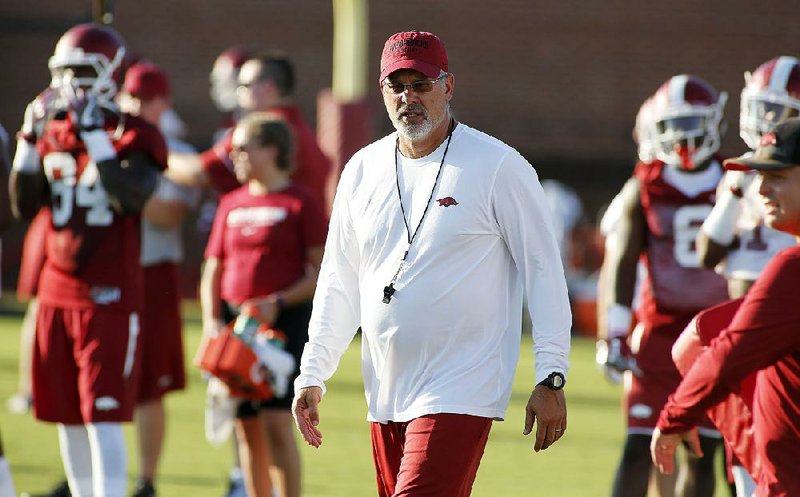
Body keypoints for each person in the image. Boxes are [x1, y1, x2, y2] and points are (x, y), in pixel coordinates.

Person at [291, 30, 571, 497]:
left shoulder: (498, 166)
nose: (408, 98)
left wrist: (552, 375)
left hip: (462, 386)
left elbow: (544, 272)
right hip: (385, 388)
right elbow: (340, 280)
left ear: (448, 86)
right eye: (395, 86)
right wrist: (313, 372)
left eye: (420, 85)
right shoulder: (362, 169)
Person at [9, 23, 167, 497]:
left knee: (102, 414)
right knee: (66, 415)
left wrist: (97, 137)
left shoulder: (133, 132)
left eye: (84, 72)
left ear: (112, 75)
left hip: (108, 293)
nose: (73, 84)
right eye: (66, 72)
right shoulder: (52, 131)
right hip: (56, 290)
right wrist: (26, 140)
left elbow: (131, 198)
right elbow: (23, 206)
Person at [596, 74, 730, 497]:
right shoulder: (645, 186)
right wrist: (614, 332)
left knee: (703, 451)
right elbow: (620, 263)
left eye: (691, 125)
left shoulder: (737, 181)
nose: (683, 138)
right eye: (672, 127)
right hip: (657, 335)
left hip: (717, 335)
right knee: (639, 445)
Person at [651, 116, 800, 497]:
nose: (762, 189)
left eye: (777, 175)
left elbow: (727, 356)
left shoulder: (792, 268)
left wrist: (674, 417)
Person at [200, 112, 327, 497]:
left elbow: (320, 270)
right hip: (236, 327)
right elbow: (213, 268)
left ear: (271, 150)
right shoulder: (230, 203)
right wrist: (210, 323)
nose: (233, 156)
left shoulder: (300, 201)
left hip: (282, 325)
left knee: (275, 421)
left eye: (242, 147)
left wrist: (278, 301)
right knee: (246, 424)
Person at [692, 55, 800, 497]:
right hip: (741, 316)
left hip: (784, 324)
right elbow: (707, 252)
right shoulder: (740, 176)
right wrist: (736, 191)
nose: (764, 121)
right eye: (762, 108)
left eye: (778, 112)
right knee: (740, 449)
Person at [118, 61, 200, 497]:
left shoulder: (174, 151)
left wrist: (122, 185)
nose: (137, 106)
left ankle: (145, 479)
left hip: (154, 272)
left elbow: (170, 214)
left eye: (146, 99)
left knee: (150, 383)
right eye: (131, 97)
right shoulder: (107, 144)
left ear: (163, 102)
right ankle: (98, 473)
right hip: (107, 270)